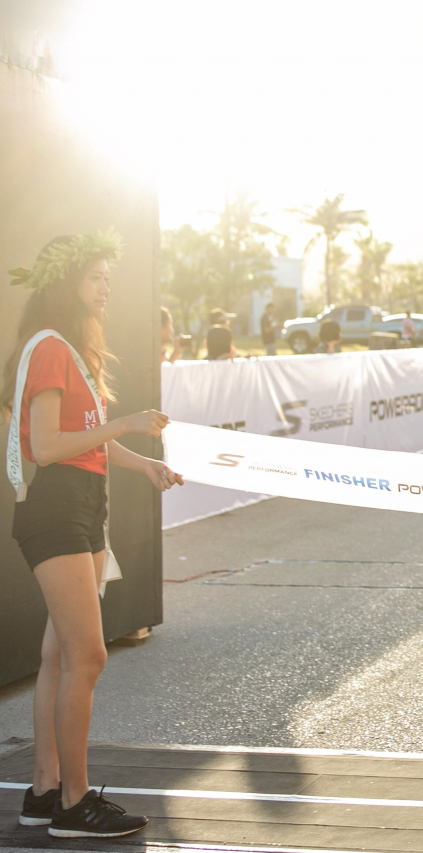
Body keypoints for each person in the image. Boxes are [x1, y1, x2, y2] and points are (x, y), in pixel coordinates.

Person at [3, 231, 183, 839]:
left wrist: (142, 461)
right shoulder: (51, 348)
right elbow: (50, 447)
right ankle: (75, 806)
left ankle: (44, 791)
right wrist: (126, 421)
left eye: (109, 277)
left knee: (59, 657)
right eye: (97, 278)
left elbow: (89, 441)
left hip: (78, 506)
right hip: (58, 510)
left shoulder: (68, 350)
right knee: (88, 655)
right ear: (68, 285)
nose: (107, 288)